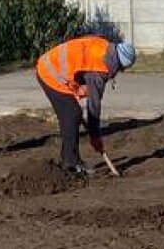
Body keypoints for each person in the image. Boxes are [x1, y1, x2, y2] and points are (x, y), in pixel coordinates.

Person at [35, 34, 136, 177]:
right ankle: (71, 164)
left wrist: (79, 85)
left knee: (71, 114)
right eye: (121, 69)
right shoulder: (100, 71)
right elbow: (93, 108)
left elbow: (81, 61)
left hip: (52, 64)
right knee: (72, 115)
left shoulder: (104, 46)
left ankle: (69, 159)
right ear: (119, 64)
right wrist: (95, 137)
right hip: (50, 72)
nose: (119, 72)